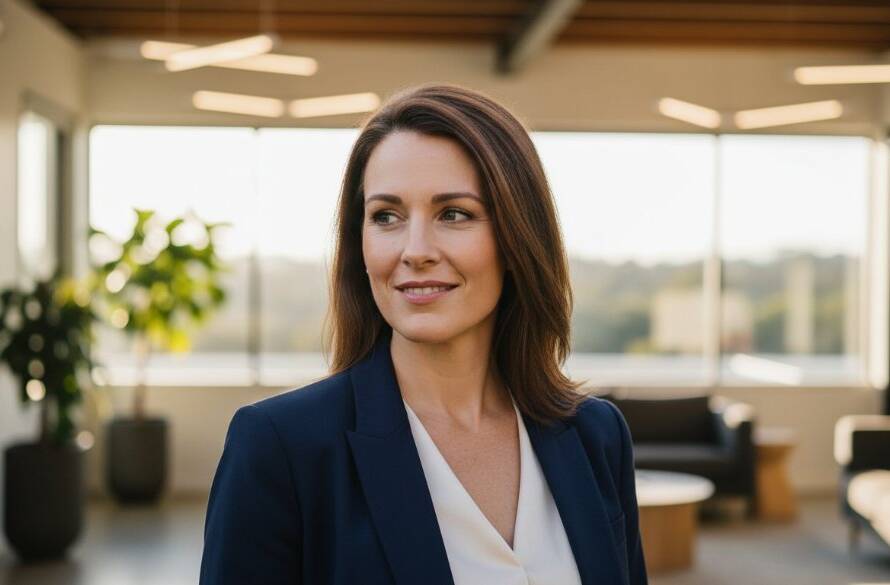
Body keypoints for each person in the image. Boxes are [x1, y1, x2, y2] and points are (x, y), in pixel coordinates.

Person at [199, 83, 647, 585]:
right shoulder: (280, 448)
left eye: (453, 214)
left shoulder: (596, 435)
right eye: (385, 216)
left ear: (518, 235)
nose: (415, 250)